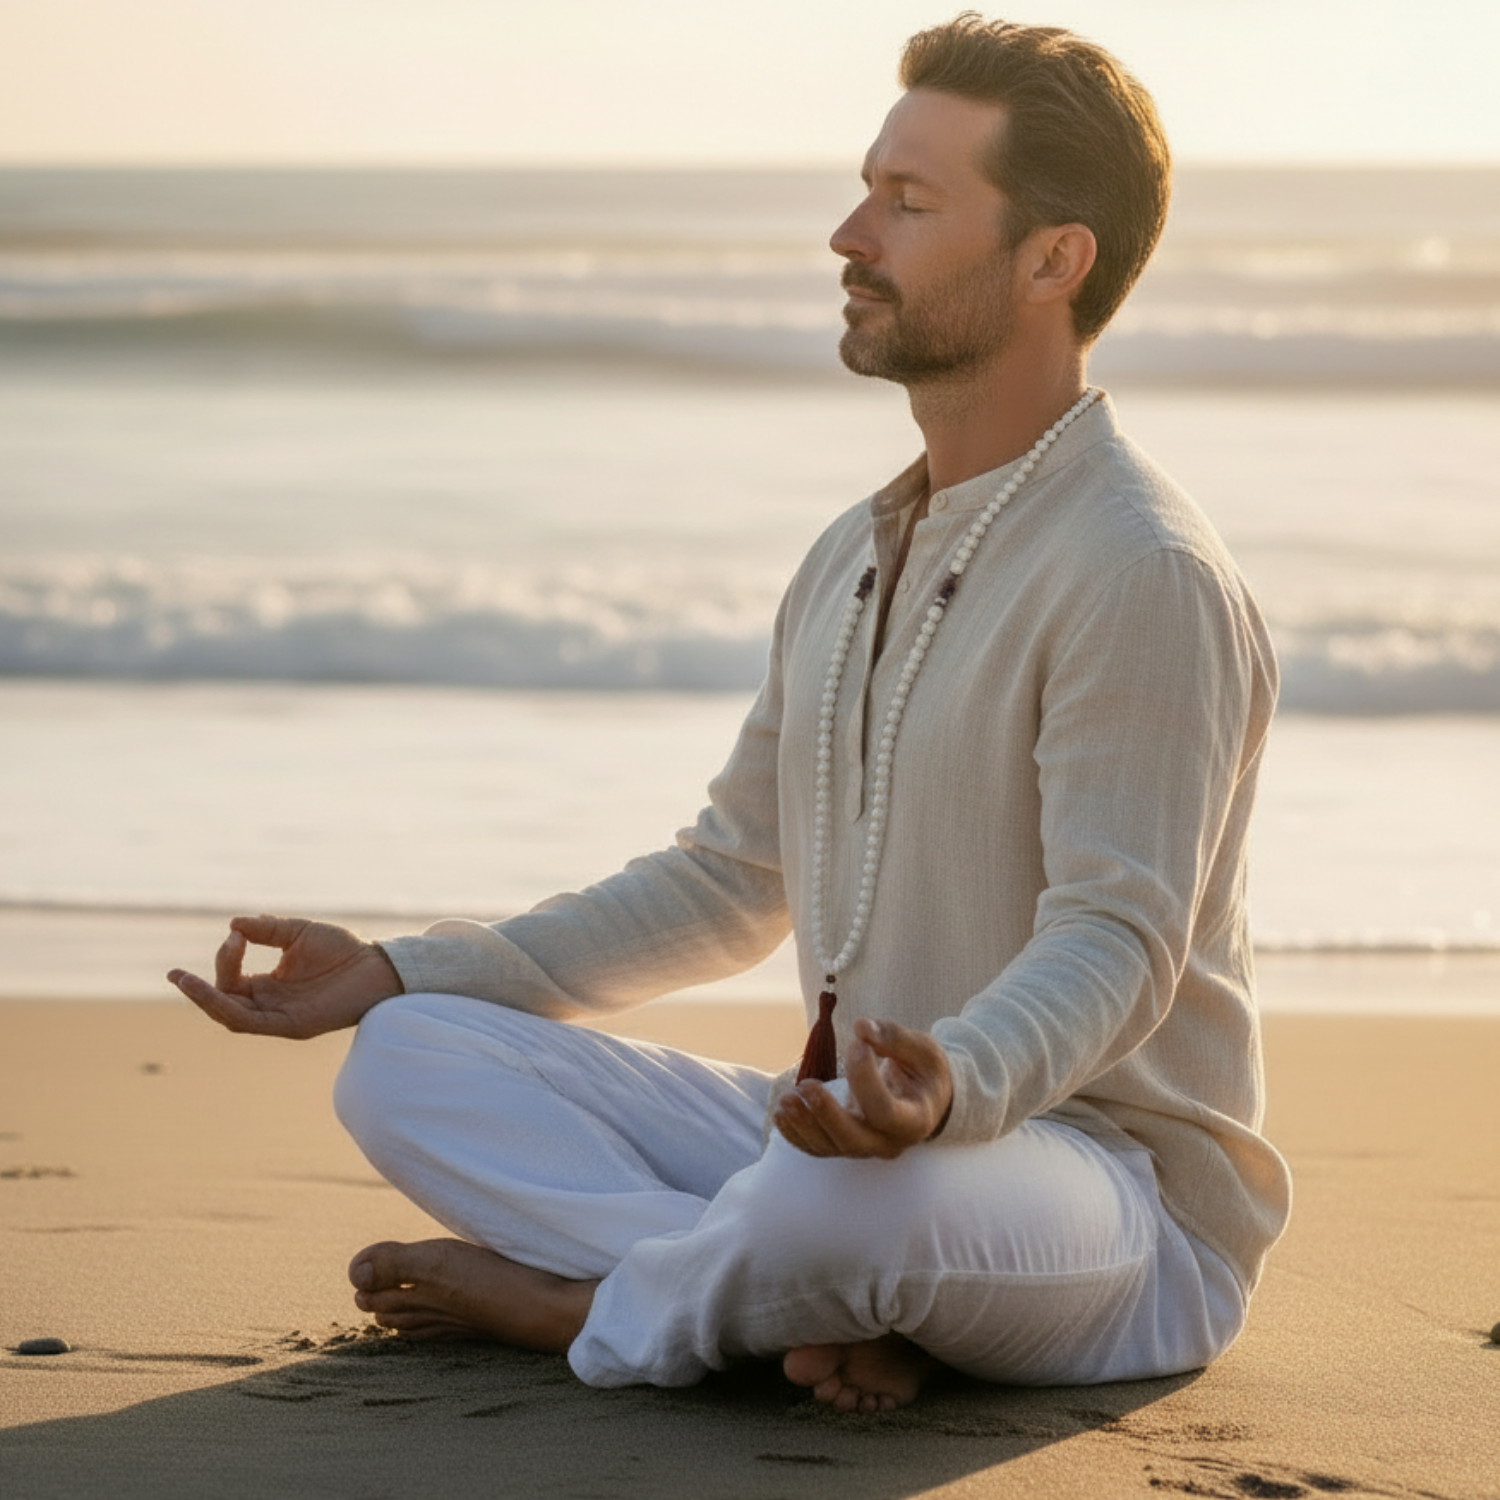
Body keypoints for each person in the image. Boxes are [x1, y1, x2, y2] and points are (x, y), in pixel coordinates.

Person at [169, 14, 1292, 1414]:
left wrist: (949, 1089)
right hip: (847, 1148)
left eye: (907, 200)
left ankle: (595, 1308)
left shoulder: (1142, 571)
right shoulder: (853, 554)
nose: (847, 231)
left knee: (852, 1217)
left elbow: (1118, 936)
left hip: (1107, 1203)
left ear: (1053, 259)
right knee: (407, 1062)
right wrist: (398, 968)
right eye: (865, 186)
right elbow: (728, 882)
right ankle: (780, 1305)